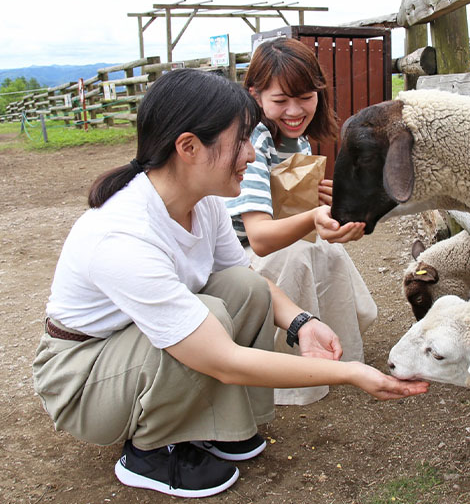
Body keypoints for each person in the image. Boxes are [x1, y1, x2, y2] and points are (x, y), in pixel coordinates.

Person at [32, 69, 428, 499]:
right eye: (241, 141)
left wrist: (302, 323)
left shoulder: (204, 204)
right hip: (83, 380)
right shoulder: (123, 237)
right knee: (211, 314)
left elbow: (247, 279)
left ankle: (218, 425)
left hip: (128, 349)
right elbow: (221, 359)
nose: (252, 156)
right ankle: (153, 452)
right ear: (188, 147)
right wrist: (348, 372)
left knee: (243, 286)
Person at [224, 37, 377, 405]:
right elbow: (258, 237)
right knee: (297, 256)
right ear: (255, 95)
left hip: (271, 240)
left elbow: (294, 214)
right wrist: (313, 216)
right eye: (280, 101)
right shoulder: (251, 143)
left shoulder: (298, 141)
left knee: (326, 250)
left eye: (305, 97)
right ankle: (289, 376)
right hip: (234, 253)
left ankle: (337, 352)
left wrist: (326, 210)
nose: (294, 110)